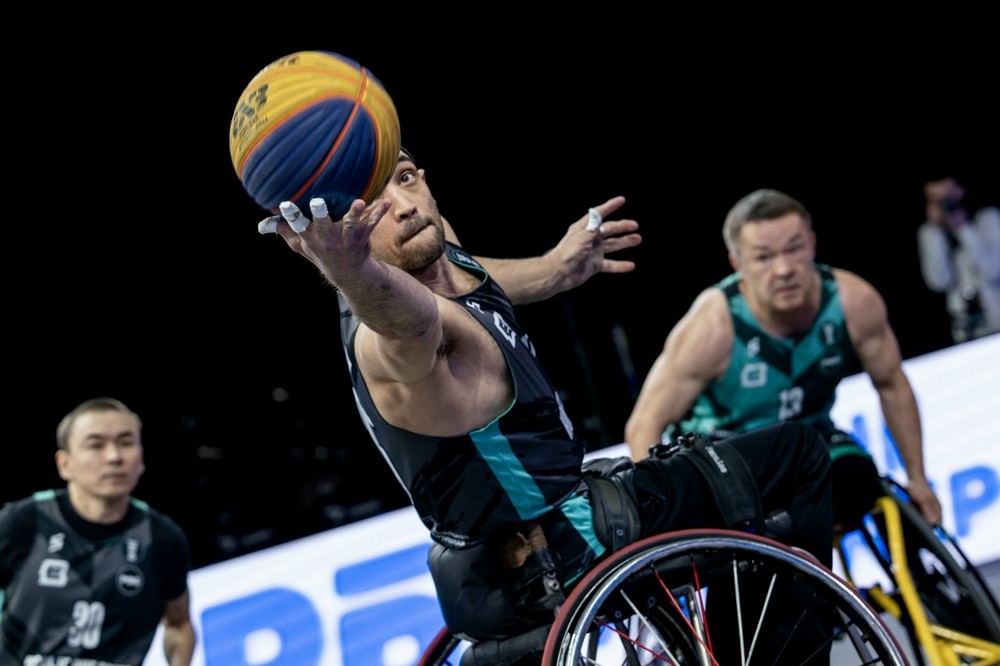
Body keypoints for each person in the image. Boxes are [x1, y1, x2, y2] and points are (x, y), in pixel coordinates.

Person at [259, 149, 836, 664]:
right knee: (800, 454)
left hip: (509, 555)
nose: (404, 205)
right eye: (375, 205)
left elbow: (471, 274)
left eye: (406, 178)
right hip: (566, 545)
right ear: (349, 232)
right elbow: (403, 317)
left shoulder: (431, 252)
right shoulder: (394, 338)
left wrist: (558, 270)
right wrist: (350, 268)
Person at [624, 187, 943, 534]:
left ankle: (916, 567)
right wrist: (667, 520)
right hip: (725, 452)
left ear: (812, 244)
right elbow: (644, 425)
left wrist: (918, 478)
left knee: (859, 477)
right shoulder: (713, 326)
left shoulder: (853, 302)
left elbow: (892, 384)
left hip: (811, 438)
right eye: (763, 257)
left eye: (794, 249)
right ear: (738, 264)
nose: (784, 269)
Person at [0, 397, 196, 666]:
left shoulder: (162, 539)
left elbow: (179, 623)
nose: (114, 457)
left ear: (141, 459)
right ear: (64, 463)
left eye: (126, 443)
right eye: (96, 445)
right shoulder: (22, 523)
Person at [918, 176, 1000, 344]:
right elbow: (938, 282)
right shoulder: (929, 233)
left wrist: (963, 229)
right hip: (964, 327)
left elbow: (993, 270)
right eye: (935, 200)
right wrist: (937, 231)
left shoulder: (987, 218)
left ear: (960, 191)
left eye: (947, 197)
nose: (944, 204)